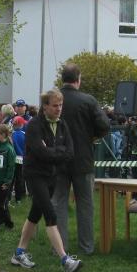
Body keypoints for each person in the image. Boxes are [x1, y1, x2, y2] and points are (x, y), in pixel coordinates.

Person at [10, 89, 82, 272]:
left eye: (61, 105)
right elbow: (39, 152)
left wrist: (52, 151)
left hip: (52, 175)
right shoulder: (34, 125)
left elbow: (70, 152)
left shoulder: (62, 124)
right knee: (50, 214)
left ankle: (19, 253)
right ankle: (65, 260)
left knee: (35, 214)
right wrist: (57, 151)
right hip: (34, 174)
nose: (59, 109)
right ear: (45, 106)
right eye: (55, 105)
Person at [54, 62, 110, 254]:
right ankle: (86, 246)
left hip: (58, 159)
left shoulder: (53, 101)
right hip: (83, 158)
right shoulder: (88, 100)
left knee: (58, 203)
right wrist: (92, 136)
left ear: (62, 79)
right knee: (85, 205)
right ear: (78, 79)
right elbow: (104, 125)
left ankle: (59, 247)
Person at [11, 116, 27, 202]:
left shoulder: (11, 135)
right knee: (20, 179)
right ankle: (18, 198)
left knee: (12, 178)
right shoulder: (24, 134)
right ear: (21, 125)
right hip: (22, 158)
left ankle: (8, 198)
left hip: (13, 158)